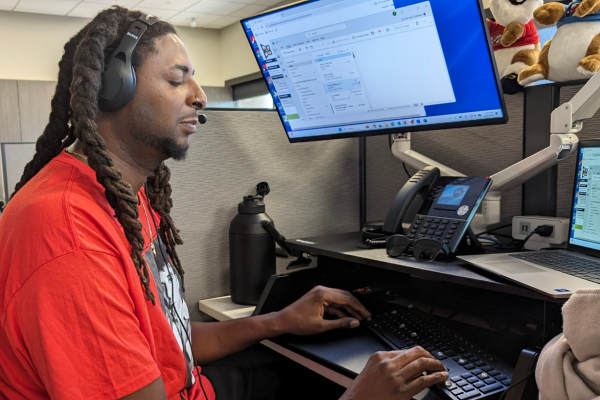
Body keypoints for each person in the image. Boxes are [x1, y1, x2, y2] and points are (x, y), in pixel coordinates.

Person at [0, 7, 448, 400]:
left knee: (299, 372)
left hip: (194, 384)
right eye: (177, 78)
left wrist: (279, 320)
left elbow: (167, 342)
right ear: (115, 86)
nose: (200, 95)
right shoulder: (68, 232)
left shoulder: (124, 194)